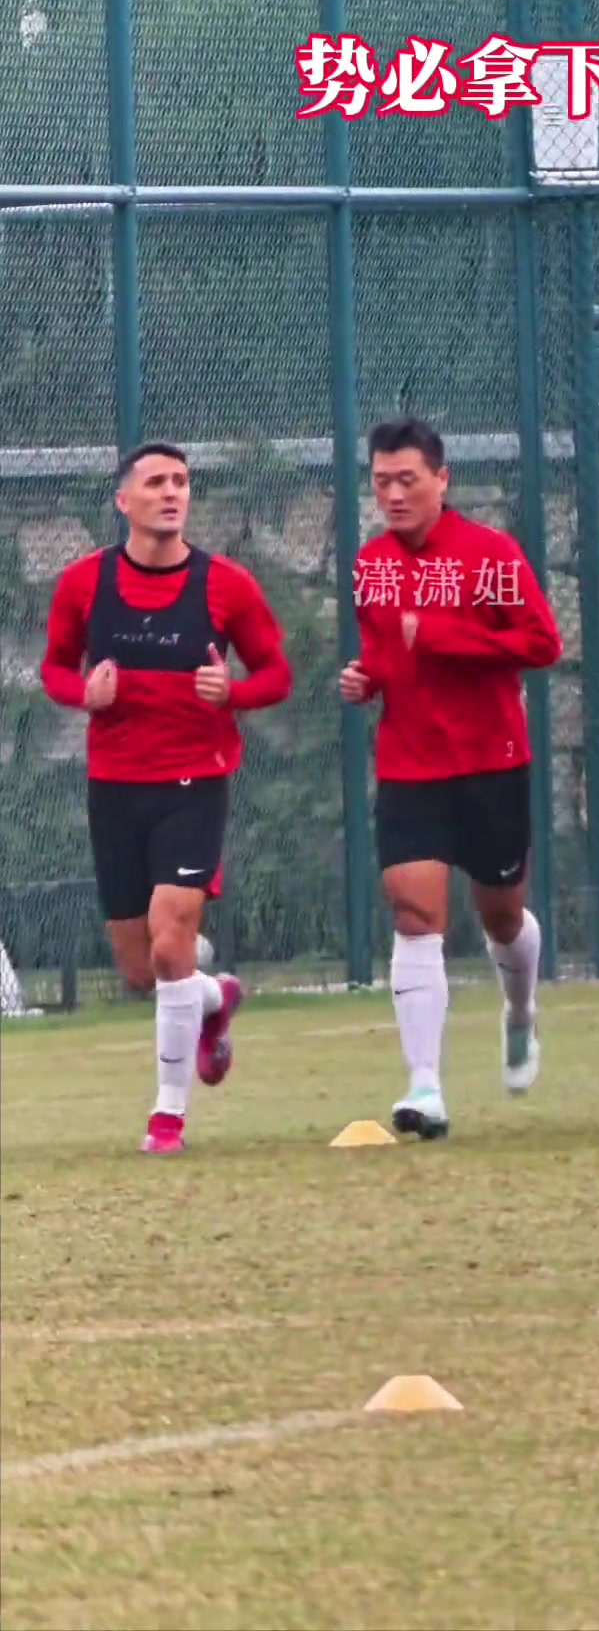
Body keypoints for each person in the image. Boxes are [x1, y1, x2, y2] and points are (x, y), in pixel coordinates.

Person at [40, 441, 292, 1154]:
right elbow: (54, 668)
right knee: (139, 966)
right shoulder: (85, 583)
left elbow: (276, 674)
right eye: (155, 482)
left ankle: (167, 1119)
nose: (171, 492)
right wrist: (83, 695)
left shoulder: (226, 585)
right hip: (115, 785)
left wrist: (232, 692)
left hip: (194, 779)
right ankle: (215, 998)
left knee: (172, 935)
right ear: (124, 501)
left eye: (180, 481)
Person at [341, 417, 563, 1141]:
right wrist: (365, 678)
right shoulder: (371, 564)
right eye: (381, 482)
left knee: (501, 916)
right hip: (410, 765)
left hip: (493, 763)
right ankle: (425, 1086)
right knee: (414, 913)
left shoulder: (491, 556)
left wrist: (442, 637)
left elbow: (542, 643)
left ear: (443, 479)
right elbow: (385, 654)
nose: (393, 495)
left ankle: (520, 1010)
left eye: (407, 480)